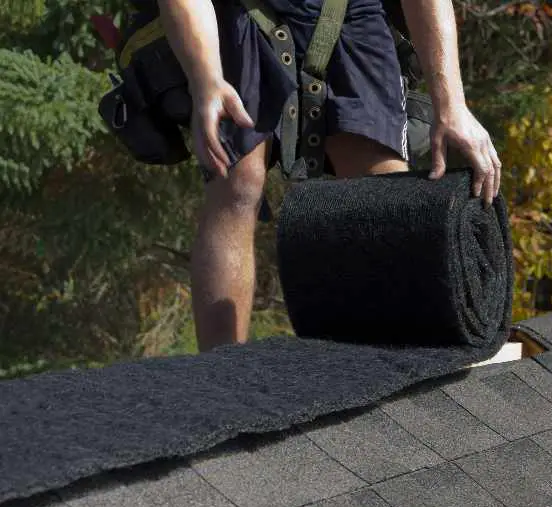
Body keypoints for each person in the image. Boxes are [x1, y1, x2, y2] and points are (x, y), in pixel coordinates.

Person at [156, 0, 501, 351]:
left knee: (386, 197)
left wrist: (452, 105)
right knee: (237, 182)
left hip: (350, 11)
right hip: (237, 13)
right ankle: (221, 370)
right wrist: (206, 79)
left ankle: (396, 361)